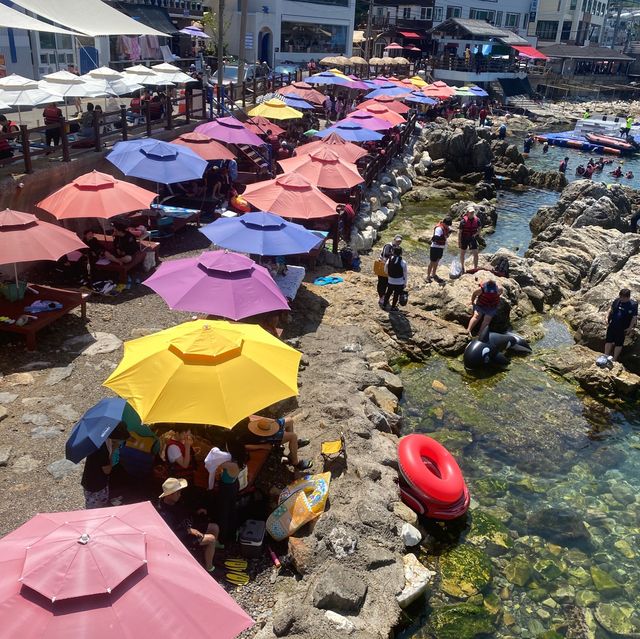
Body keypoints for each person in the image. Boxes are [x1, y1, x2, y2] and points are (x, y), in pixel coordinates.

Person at [156, 477, 219, 573]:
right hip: (183, 537)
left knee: (214, 528)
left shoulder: (175, 501)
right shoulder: (165, 513)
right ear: (170, 495)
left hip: (189, 526)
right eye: (178, 492)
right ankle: (209, 567)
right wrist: (189, 530)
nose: (180, 494)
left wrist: (196, 512)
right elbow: (173, 535)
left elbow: (185, 511)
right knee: (211, 539)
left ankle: (209, 553)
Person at [233, 415, 311, 471]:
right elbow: (245, 446)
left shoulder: (247, 425)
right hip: (266, 438)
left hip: (266, 427)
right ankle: (295, 462)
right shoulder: (246, 437)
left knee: (290, 420)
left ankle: (293, 445)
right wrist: (263, 446)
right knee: (293, 436)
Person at [80, 421, 130, 509]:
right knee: (95, 509)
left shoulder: (101, 438)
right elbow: (107, 470)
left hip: (92, 481)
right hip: (95, 486)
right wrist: (113, 450)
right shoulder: (102, 449)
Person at [604, 288, 637, 362]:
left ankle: (614, 359)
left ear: (628, 297)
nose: (621, 299)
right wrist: (606, 317)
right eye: (620, 296)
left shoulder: (633, 305)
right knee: (608, 340)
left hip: (623, 328)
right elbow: (610, 309)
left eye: (623, 297)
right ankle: (605, 355)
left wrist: (630, 328)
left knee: (618, 343)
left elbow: (634, 317)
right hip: (612, 324)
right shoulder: (617, 301)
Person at [377, 235, 402, 306]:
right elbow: (385, 254)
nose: (398, 242)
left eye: (399, 241)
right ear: (394, 240)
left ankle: (384, 296)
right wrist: (394, 255)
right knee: (382, 282)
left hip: (390, 267)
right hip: (382, 265)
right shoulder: (388, 246)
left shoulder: (398, 248)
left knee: (388, 283)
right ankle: (381, 297)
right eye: (397, 241)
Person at [427, 217, 452, 283]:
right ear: (443, 223)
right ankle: (428, 276)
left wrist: (448, 233)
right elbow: (436, 237)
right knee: (432, 262)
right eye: (447, 225)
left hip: (441, 247)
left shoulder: (447, 228)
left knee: (437, 261)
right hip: (435, 247)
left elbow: (448, 233)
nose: (447, 226)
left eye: (448, 225)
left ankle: (434, 274)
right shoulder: (439, 229)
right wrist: (438, 238)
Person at [383, 245, 408, 310]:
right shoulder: (403, 262)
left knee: (388, 293)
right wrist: (405, 283)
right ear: (401, 253)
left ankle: (384, 305)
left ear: (393, 252)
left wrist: (388, 275)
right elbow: (405, 274)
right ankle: (393, 307)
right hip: (399, 282)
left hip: (390, 281)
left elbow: (385, 269)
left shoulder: (390, 259)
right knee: (396, 295)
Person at [458, 206, 481, 273]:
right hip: (464, 238)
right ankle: (462, 267)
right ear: (467, 213)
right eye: (470, 212)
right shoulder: (463, 221)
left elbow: (479, 229)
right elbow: (460, 232)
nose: (472, 213)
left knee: (476, 253)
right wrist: (459, 242)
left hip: (472, 238)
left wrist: (476, 234)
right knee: (462, 253)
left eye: (473, 212)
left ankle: (475, 268)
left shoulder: (477, 220)